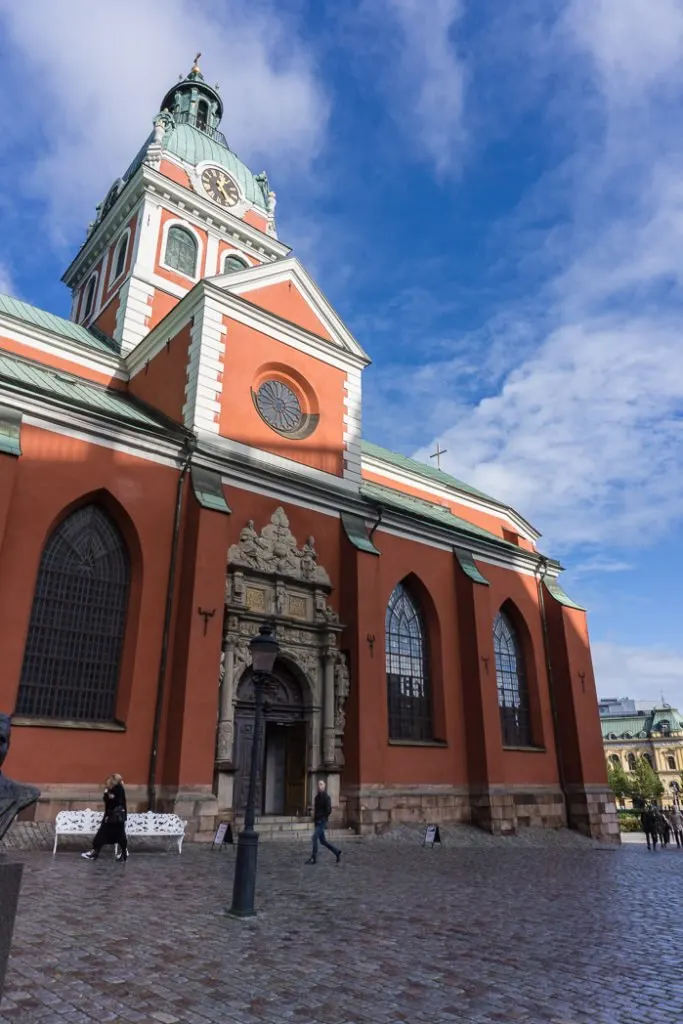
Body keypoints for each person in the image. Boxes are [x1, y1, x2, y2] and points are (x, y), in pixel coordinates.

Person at [82, 774, 128, 862]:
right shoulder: (118, 789)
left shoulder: (117, 790)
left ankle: (95, 852)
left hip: (113, 818)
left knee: (103, 835)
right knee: (120, 836)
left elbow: (113, 802)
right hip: (117, 818)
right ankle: (123, 854)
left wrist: (107, 794)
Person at [305, 779, 341, 865]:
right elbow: (316, 810)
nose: (319, 786)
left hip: (322, 821)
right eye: (318, 784)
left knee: (314, 838)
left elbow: (329, 810)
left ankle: (313, 858)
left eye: (321, 784)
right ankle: (336, 852)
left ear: (324, 786)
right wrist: (315, 820)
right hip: (317, 821)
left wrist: (323, 818)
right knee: (323, 841)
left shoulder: (326, 797)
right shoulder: (317, 797)